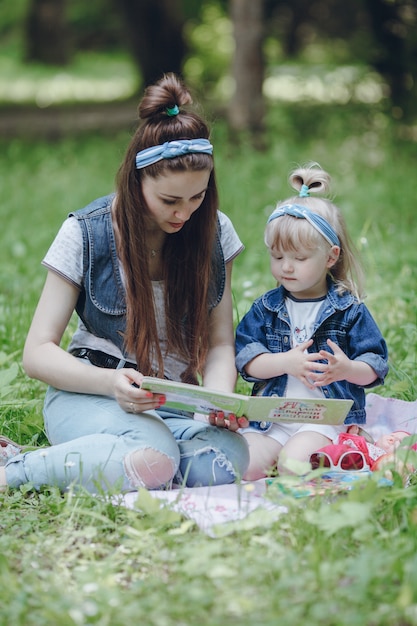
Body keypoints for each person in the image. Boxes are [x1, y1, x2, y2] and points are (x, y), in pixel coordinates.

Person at [0, 73, 249, 493]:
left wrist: (216, 403)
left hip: (173, 405)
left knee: (228, 460)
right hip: (92, 393)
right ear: (137, 182)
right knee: (155, 458)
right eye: (170, 200)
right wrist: (110, 384)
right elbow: (36, 353)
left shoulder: (213, 232)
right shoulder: (86, 232)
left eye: (198, 196)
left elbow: (221, 341)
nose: (184, 213)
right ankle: (15, 470)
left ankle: (116, 461)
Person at [235, 163, 389, 480]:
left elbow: (375, 364)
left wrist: (347, 370)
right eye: (277, 257)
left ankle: (349, 444)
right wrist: (284, 362)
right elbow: (246, 361)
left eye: (299, 258)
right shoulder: (266, 307)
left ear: (330, 257)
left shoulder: (349, 310)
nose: (286, 268)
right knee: (243, 466)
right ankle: (297, 457)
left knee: (294, 465)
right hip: (272, 419)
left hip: (321, 419)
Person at [310, 430, 412, 472]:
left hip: (361, 463)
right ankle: (318, 460)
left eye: (401, 442)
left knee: (344, 454)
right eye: (392, 435)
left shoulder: (386, 460)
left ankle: (320, 461)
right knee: (338, 450)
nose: (392, 439)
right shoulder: (370, 442)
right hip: (350, 451)